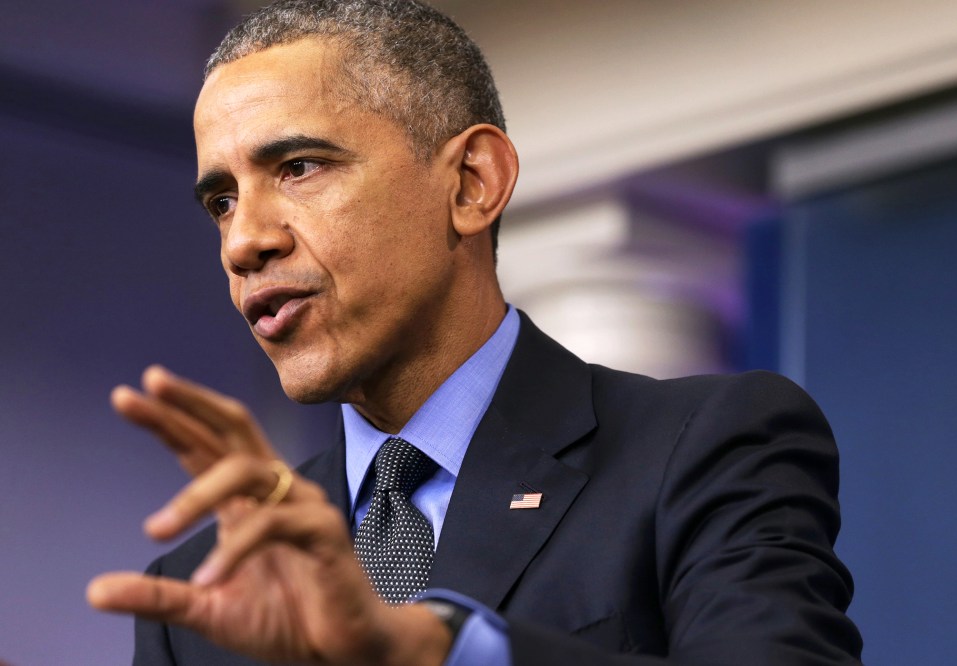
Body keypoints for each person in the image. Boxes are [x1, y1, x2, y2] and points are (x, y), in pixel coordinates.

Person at [87, 1, 864, 664]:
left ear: (472, 184)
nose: (242, 241)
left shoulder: (700, 449)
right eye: (221, 201)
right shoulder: (201, 593)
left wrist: (434, 648)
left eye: (297, 167)